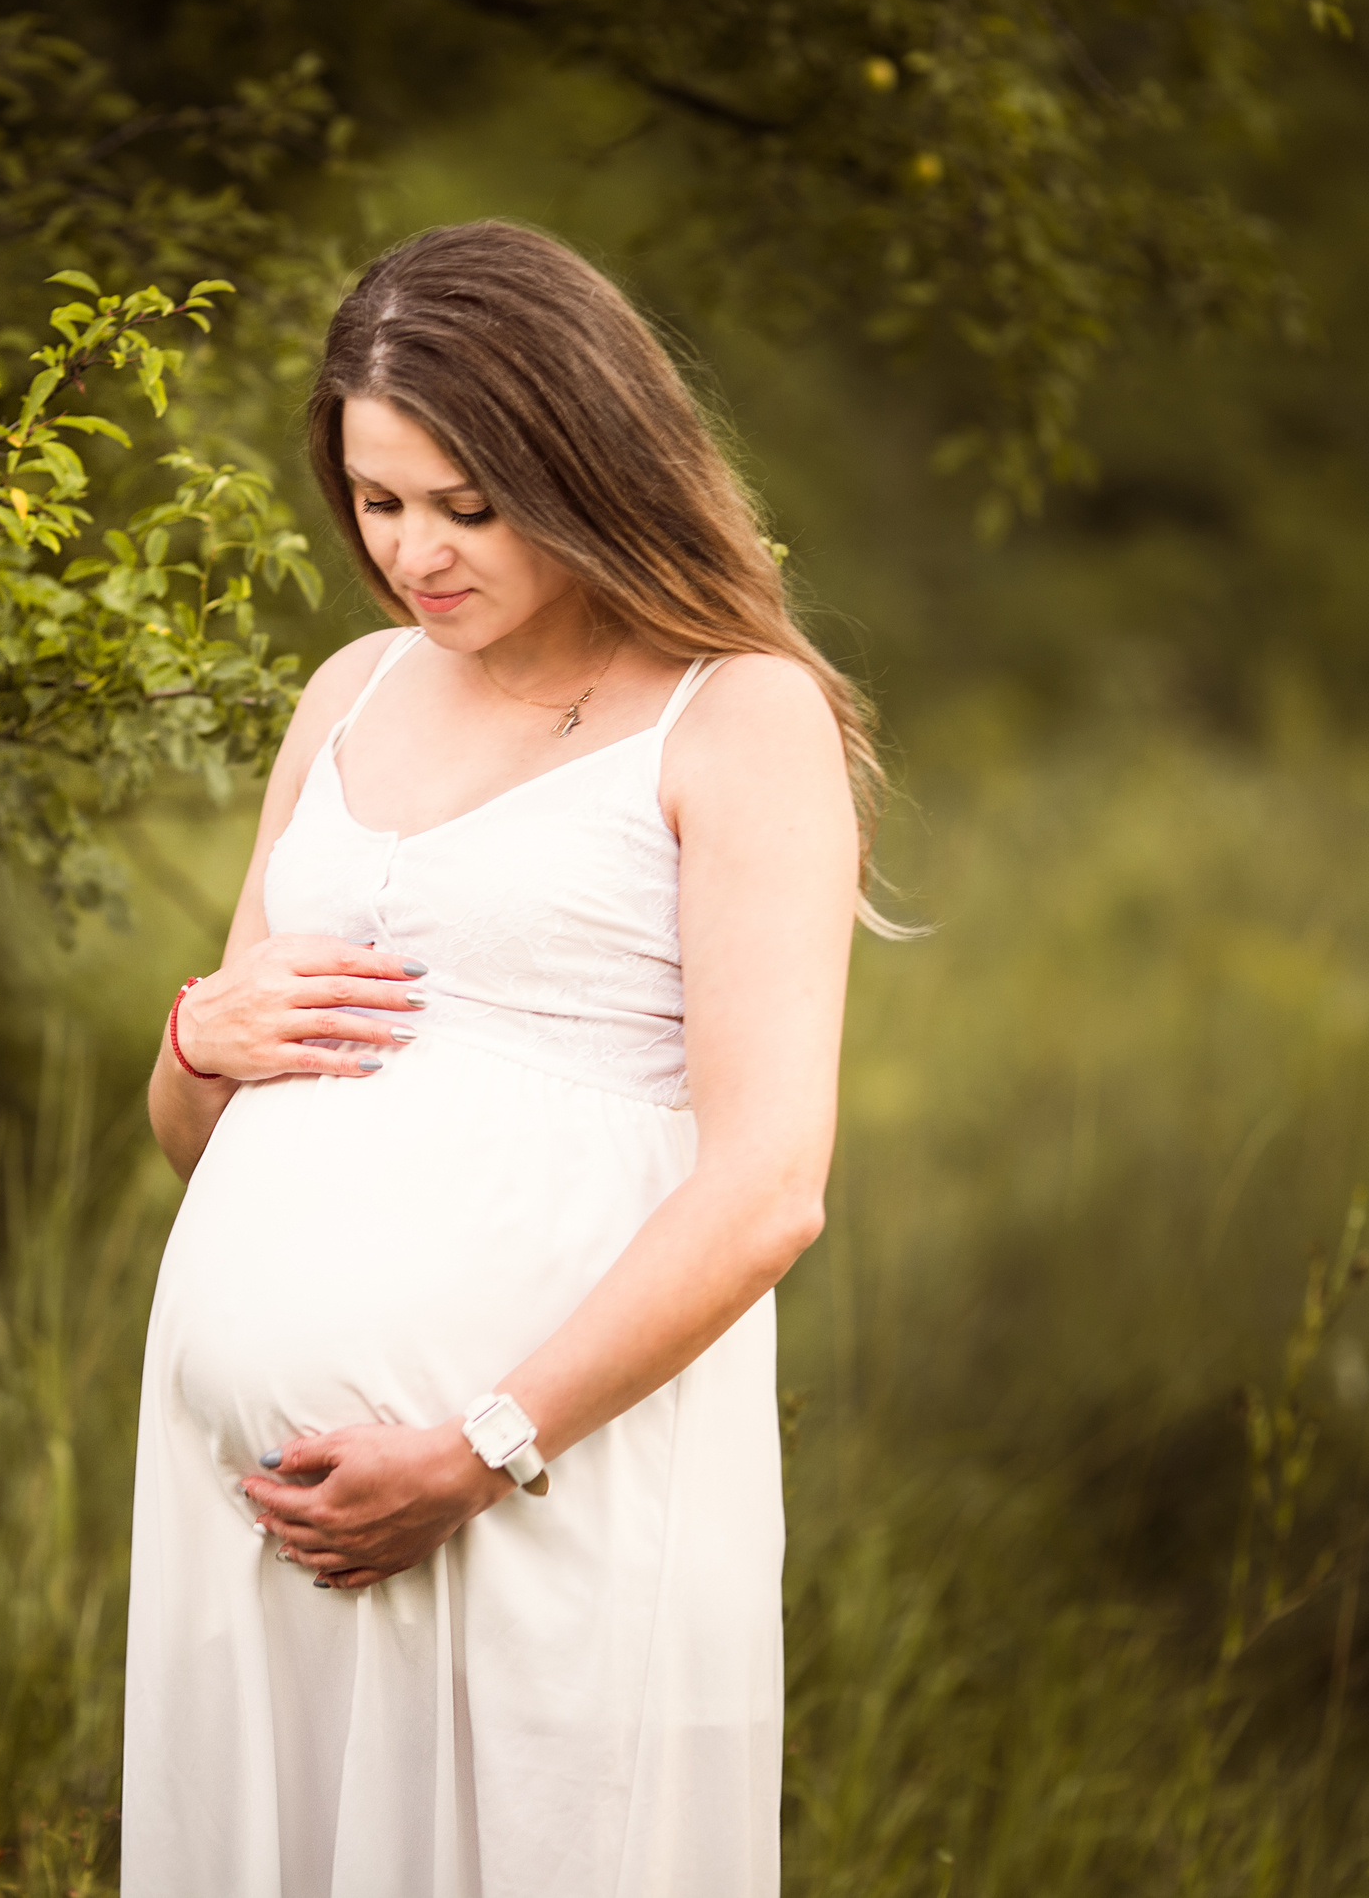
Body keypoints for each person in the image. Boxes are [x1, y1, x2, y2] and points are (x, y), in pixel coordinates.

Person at [121, 220, 876, 1897]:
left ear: (589, 462)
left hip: (536, 1485)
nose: (417, 555)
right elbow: (207, 1134)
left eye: (469, 505)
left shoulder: (735, 714)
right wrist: (195, 1036)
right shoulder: (349, 693)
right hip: (257, 1516)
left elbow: (768, 1188)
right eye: (379, 502)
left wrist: (470, 1452)